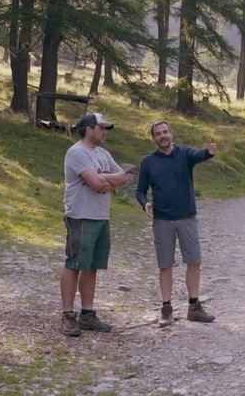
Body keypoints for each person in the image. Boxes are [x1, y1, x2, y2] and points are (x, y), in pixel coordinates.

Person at [136, 120, 218, 326]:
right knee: (165, 264)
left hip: (187, 217)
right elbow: (140, 190)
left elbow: (200, 155)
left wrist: (209, 152)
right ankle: (166, 308)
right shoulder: (148, 162)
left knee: (194, 260)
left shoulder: (185, 155)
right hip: (162, 220)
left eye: (165, 132)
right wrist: (144, 203)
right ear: (153, 138)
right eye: (158, 134)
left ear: (171, 133)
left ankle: (194, 306)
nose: (162, 136)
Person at [59, 112, 133, 337]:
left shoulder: (102, 154)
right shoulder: (77, 152)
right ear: (88, 129)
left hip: (101, 216)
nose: (104, 132)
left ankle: (88, 314)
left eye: (105, 128)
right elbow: (96, 183)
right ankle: (67, 315)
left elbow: (123, 177)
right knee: (74, 263)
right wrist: (103, 181)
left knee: (92, 265)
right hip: (81, 215)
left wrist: (103, 180)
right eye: (101, 128)